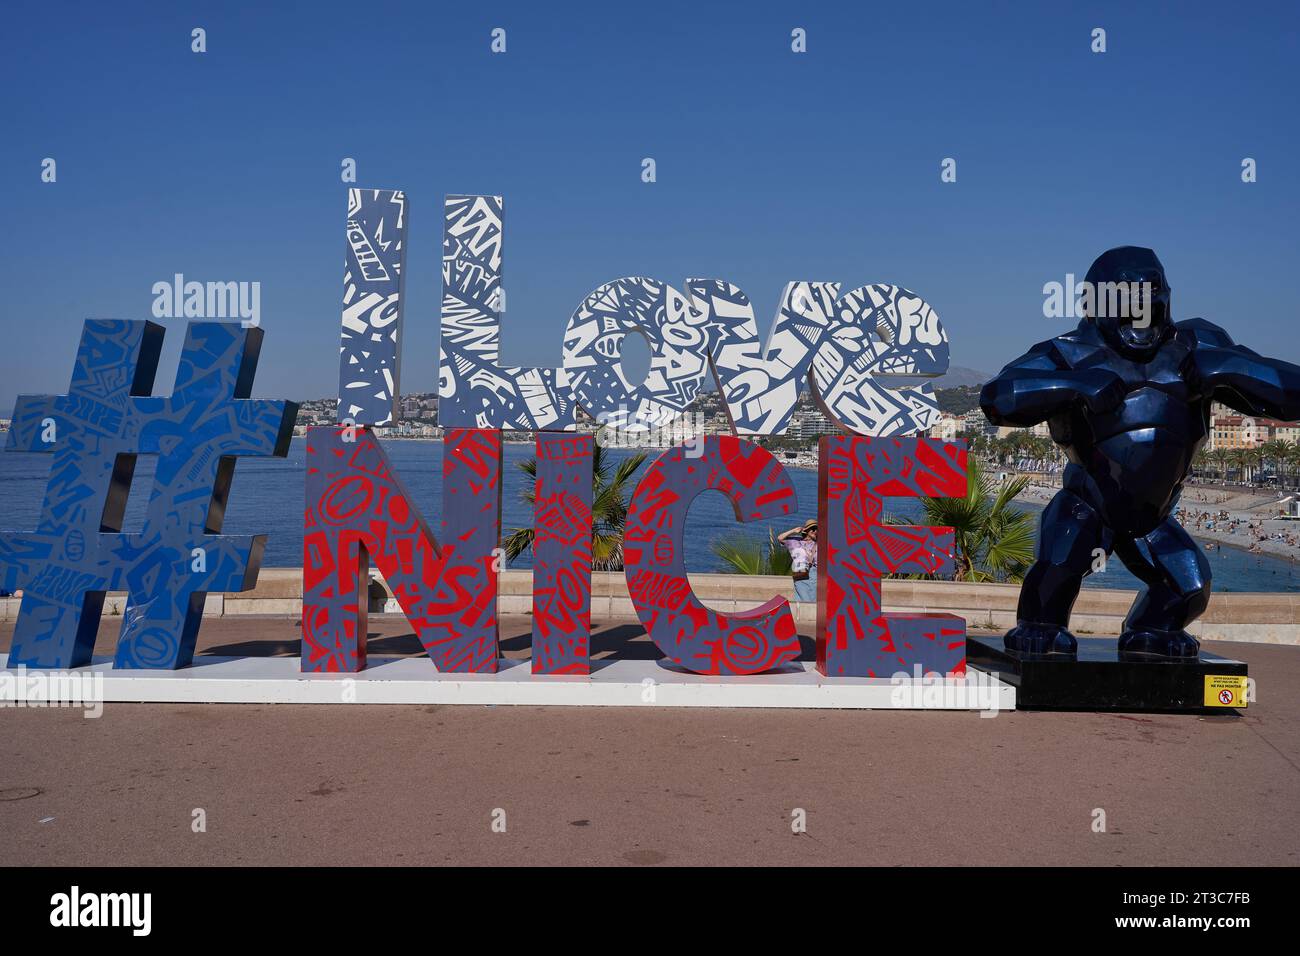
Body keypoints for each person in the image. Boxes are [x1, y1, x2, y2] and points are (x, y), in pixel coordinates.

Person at [778, 519, 818, 602]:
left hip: (815, 574)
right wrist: (794, 530)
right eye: (813, 528)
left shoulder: (819, 543)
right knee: (802, 600)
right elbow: (780, 538)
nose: (815, 531)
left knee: (813, 601)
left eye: (817, 529)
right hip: (800, 572)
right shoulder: (795, 541)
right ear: (806, 530)